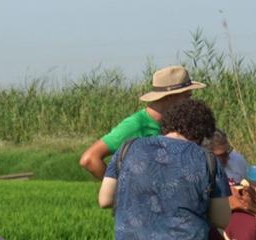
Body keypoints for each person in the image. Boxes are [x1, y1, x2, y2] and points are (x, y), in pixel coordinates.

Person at [97, 96, 231, 240]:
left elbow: (104, 199)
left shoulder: (128, 149)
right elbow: (222, 219)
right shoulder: (207, 160)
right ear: (202, 133)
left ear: (167, 124)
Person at [77, 65, 205, 180]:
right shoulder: (136, 125)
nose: (190, 102)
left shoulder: (178, 124)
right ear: (170, 96)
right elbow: (90, 159)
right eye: (187, 97)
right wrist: (122, 194)